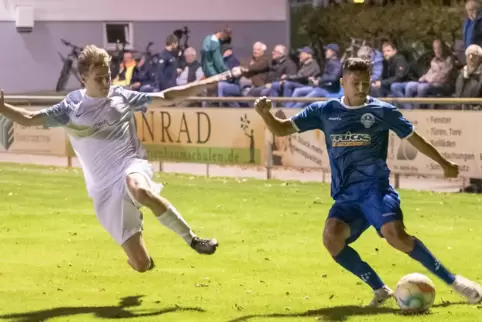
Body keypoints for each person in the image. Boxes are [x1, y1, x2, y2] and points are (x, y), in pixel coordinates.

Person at [254, 57, 482, 307]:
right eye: (356, 83)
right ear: (343, 83)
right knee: (331, 238)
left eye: (366, 84)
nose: (362, 89)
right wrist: (265, 115)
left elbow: (414, 138)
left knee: (396, 237)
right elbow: (282, 129)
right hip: (346, 198)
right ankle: (380, 289)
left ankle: (455, 282)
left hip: (376, 190)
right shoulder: (325, 111)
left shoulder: (382, 111)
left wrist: (444, 163)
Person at [0, 45, 229, 273]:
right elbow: (29, 118)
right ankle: (143, 261)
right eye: (98, 78)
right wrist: (2, 108)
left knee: (140, 190)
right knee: (141, 265)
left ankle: (193, 239)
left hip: (130, 164)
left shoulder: (122, 96)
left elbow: (166, 96)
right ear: (83, 78)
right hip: (104, 189)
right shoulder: (70, 108)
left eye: (108, 76)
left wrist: (206, 83)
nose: (105, 83)